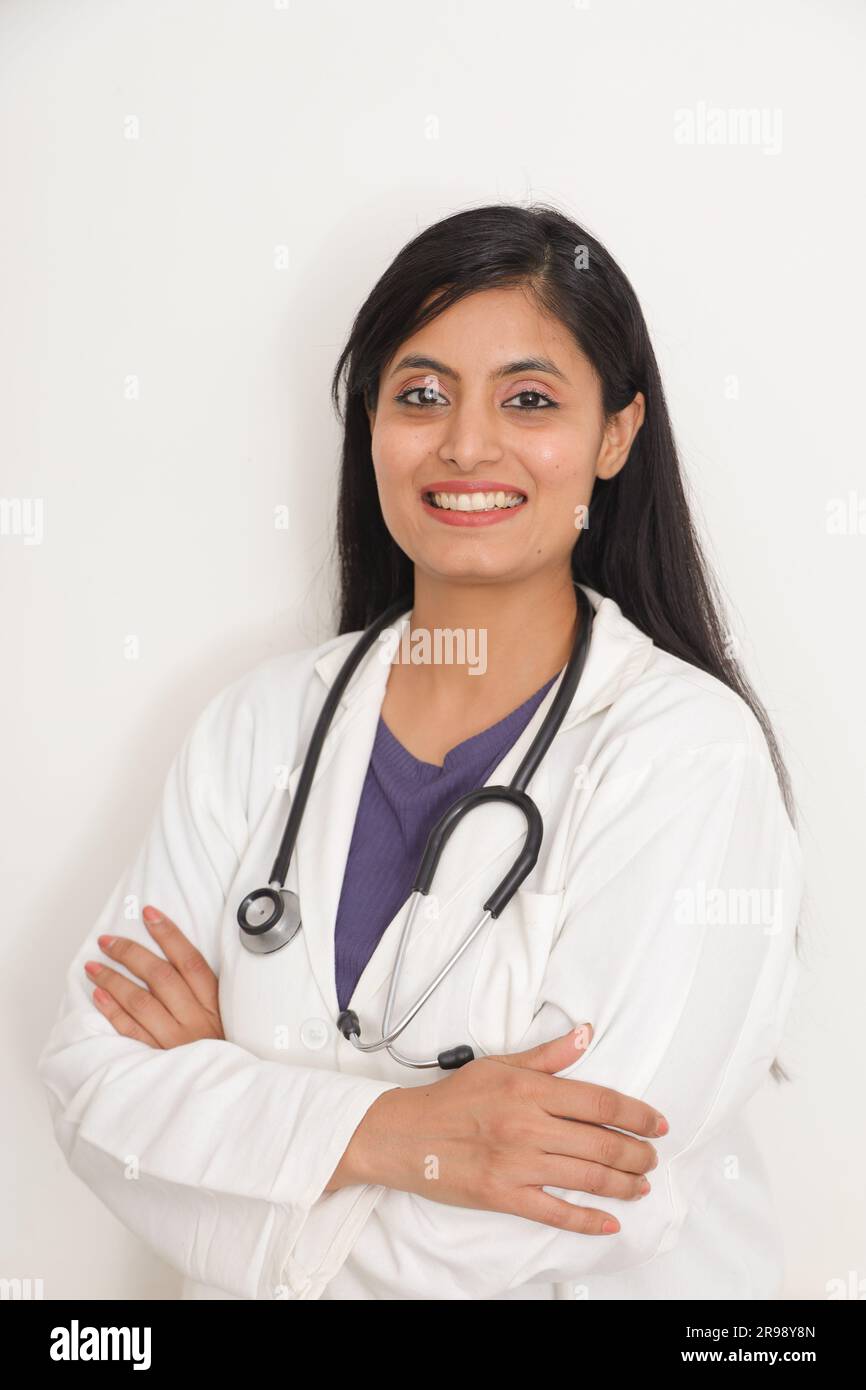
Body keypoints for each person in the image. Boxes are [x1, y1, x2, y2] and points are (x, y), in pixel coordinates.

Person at [38, 202, 803, 1301]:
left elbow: (559, 1213)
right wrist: (399, 1132)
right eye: (419, 395)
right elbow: (90, 1090)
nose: (464, 444)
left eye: (528, 399)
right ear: (371, 426)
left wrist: (238, 1106)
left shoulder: (685, 757)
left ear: (615, 434)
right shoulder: (258, 725)